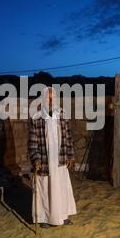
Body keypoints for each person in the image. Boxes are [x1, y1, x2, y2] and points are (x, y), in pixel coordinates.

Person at [28, 86, 77, 228]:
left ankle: (63, 216)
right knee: (45, 189)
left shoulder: (62, 114)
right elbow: (33, 142)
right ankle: (44, 218)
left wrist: (70, 155)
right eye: (47, 97)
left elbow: (68, 136)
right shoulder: (36, 117)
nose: (50, 100)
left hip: (60, 158)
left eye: (52, 97)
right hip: (44, 160)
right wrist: (35, 159)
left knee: (61, 187)